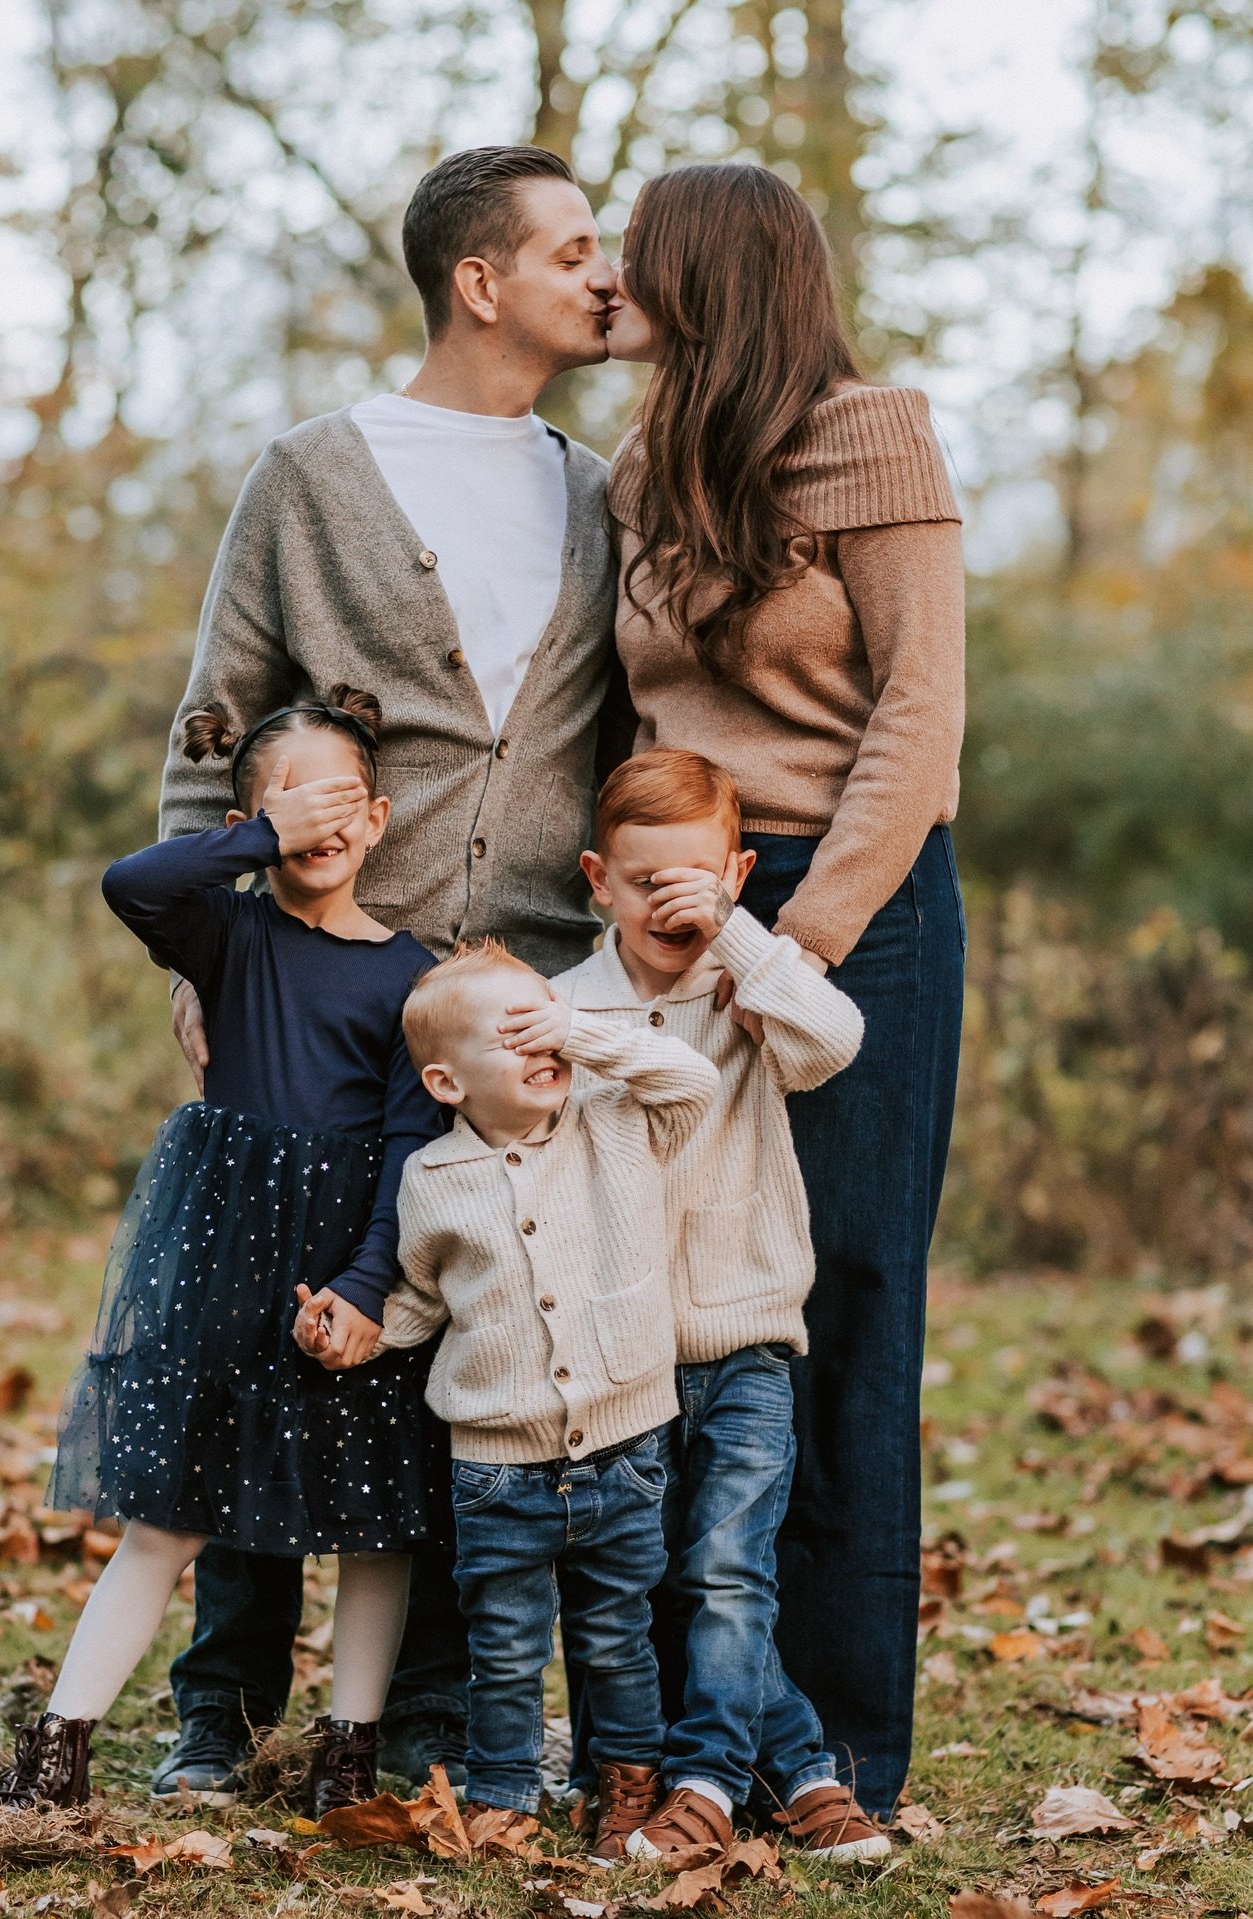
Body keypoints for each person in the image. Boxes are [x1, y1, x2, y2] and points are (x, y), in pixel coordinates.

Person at [153, 144, 623, 1800]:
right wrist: (213, 944)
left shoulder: (598, 483)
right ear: (479, 281)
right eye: (575, 250)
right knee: (276, 1327)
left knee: (465, 1341)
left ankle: (423, 1716)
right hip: (338, 981)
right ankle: (217, 1706)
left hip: (520, 1001)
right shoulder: (314, 474)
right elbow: (219, 713)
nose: (607, 274)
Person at [604, 163, 966, 1820]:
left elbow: (918, 715)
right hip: (678, 903)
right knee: (690, 1311)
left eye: (639, 256)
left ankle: (839, 1744)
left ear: (711, 276)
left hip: (855, 905)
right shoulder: (642, 463)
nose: (616, 277)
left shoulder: (874, 431)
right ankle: (708, 1726)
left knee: (851, 1299)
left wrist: (800, 936)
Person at [0, 691, 445, 1815]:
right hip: (229, 1267)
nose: (314, 822)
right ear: (250, 819)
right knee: (171, 1518)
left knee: (375, 1524)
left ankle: (349, 1747)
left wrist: (368, 1285)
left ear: (379, 818)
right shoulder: (229, 934)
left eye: (339, 799)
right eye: (286, 800)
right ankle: (60, 1744)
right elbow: (129, 884)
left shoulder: (412, 977)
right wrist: (260, 838)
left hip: (346, 1271)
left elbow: (409, 1144)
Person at [552, 749, 885, 1863]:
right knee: (652, 1580)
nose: (669, 901)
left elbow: (836, 1042)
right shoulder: (566, 1008)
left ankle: (701, 1778)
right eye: (644, 879)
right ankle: (799, 1768)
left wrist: (741, 934)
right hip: (626, 1364)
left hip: (744, 1345)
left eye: (694, 876)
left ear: (735, 870)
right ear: (599, 878)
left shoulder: (750, 997)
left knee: (730, 1567)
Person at [326, 940, 717, 1863]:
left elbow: (693, 1080)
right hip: (496, 1466)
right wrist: (359, 1330)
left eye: (548, 1024)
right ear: (446, 1080)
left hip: (622, 1445)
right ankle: (505, 1791)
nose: (545, 1047)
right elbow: (422, 1300)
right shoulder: (431, 1179)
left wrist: (579, 1029)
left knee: (616, 1637)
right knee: (502, 1644)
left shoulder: (614, 1117)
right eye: (517, 1035)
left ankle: (626, 1784)